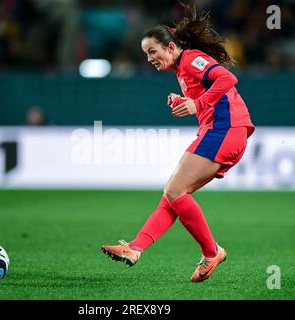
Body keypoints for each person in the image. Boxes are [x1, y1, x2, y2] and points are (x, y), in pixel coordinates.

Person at [101, 1, 255, 283]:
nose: (149, 58)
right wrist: (188, 101)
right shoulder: (181, 69)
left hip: (225, 130)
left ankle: (212, 252)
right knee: (173, 195)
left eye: (152, 51)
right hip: (221, 131)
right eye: (146, 54)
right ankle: (135, 248)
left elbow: (227, 78)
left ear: (170, 47)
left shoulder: (191, 59)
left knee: (174, 190)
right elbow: (208, 93)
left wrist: (197, 104)